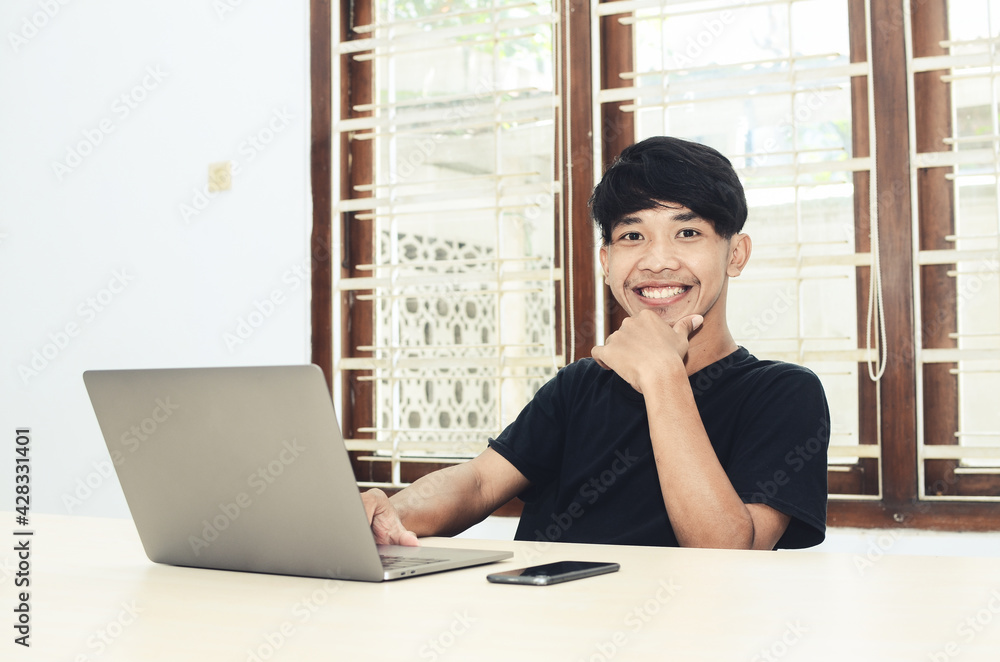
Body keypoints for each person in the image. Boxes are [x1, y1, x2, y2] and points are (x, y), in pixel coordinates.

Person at [362, 136, 830, 550]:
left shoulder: (783, 393)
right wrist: (392, 513)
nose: (658, 260)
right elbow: (480, 481)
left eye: (688, 233)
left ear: (737, 254)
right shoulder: (581, 385)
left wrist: (663, 376)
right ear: (607, 262)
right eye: (633, 235)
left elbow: (727, 555)